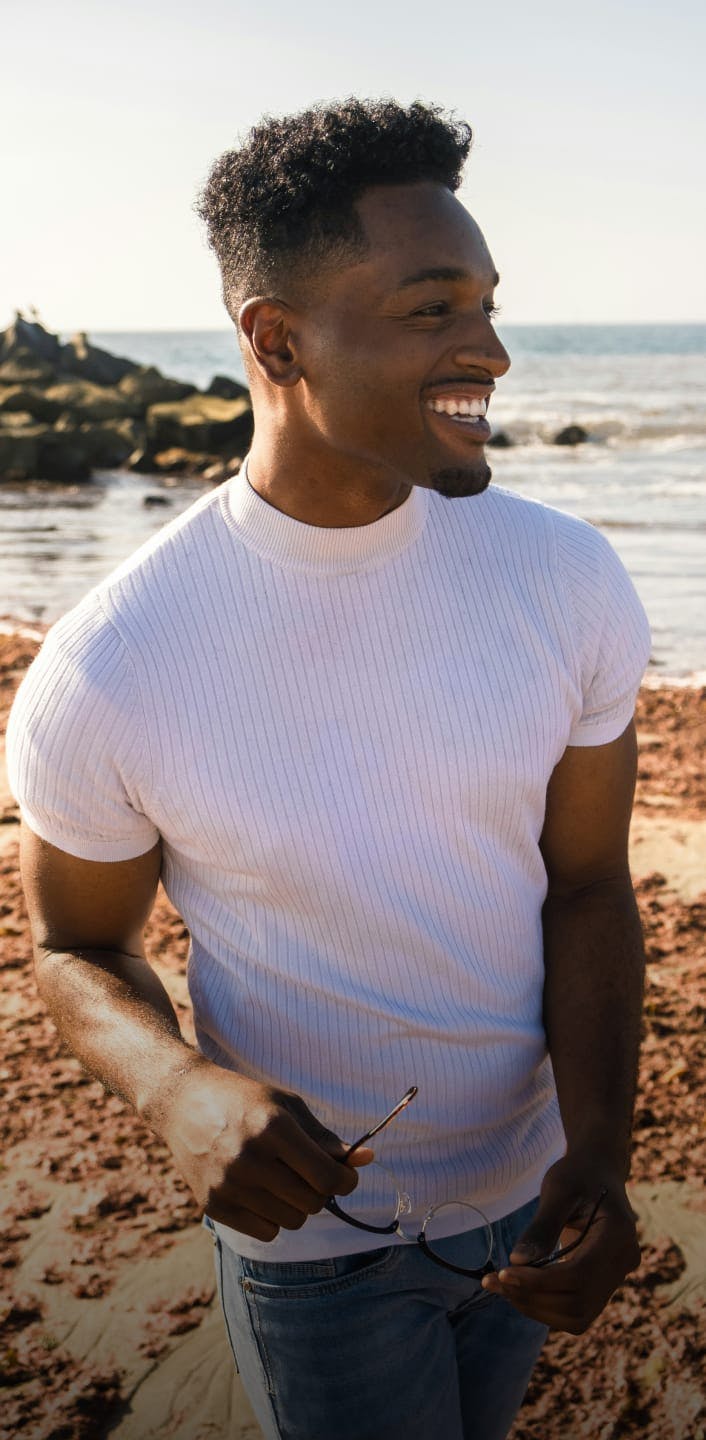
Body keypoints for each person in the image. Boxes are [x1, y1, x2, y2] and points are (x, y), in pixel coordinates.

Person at [7, 98, 651, 1440]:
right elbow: (72, 945)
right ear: (276, 339)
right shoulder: (113, 661)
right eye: (433, 311)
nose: (493, 351)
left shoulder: (566, 578)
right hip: (318, 1249)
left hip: (538, 1201)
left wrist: (596, 1153)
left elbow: (586, 886)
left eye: (485, 303)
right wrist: (178, 1088)